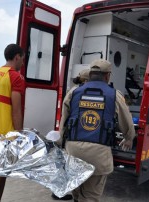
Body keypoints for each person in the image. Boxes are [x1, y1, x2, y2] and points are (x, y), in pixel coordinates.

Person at [59, 59, 135, 202]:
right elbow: (127, 120)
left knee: (76, 188)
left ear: (91, 74)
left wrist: (62, 143)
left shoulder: (74, 92)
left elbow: (64, 122)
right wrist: (129, 137)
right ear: (107, 76)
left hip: (73, 150)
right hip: (98, 154)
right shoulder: (114, 95)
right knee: (90, 195)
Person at [0, 44, 25, 202]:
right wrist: (19, 134)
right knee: (1, 174)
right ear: (17, 57)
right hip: (5, 132)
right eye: (22, 59)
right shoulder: (15, 76)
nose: (23, 63)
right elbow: (16, 109)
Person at [52, 68, 90, 201]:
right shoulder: (80, 92)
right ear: (86, 80)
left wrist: (62, 138)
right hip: (81, 139)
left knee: (71, 168)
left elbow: (64, 117)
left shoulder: (72, 93)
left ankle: (66, 193)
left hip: (72, 138)